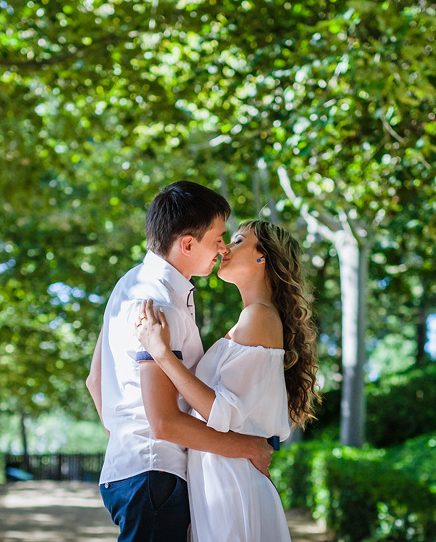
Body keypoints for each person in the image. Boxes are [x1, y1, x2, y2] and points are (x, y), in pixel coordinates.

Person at [85, 182, 274, 542]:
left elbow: (95, 381)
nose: (223, 248)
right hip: (155, 477)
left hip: (134, 471)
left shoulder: (130, 285)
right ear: (188, 244)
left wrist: (129, 441)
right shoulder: (160, 302)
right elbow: (164, 423)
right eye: (219, 238)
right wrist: (249, 447)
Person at [134, 219, 321, 542]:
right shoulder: (252, 318)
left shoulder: (258, 317)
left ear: (262, 257)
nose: (224, 249)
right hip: (220, 477)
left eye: (237, 241)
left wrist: (161, 352)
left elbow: (222, 411)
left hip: (231, 482)